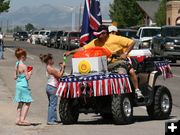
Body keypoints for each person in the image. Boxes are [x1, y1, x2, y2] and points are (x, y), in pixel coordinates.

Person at [64, 25, 144, 99]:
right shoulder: (96, 41)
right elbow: (83, 49)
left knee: (126, 72)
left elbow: (132, 42)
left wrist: (125, 53)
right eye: (97, 35)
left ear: (105, 33)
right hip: (102, 65)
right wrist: (70, 52)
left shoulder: (116, 38)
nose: (98, 36)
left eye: (99, 34)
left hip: (118, 62)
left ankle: (135, 91)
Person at [39, 53, 65, 125]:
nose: (53, 60)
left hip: (49, 86)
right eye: (52, 59)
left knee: (51, 104)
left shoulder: (48, 67)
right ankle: (51, 120)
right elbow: (59, 75)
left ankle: (52, 119)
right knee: (53, 104)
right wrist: (62, 68)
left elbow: (58, 74)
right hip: (53, 87)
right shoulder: (50, 68)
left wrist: (62, 68)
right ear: (49, 60)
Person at [14, 48, 33, 126]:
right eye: (25, 56)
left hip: (18, 85)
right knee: (28, 102)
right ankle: (23, 119)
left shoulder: (17, 64)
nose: (26, 57)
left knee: (20, 102)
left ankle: (17, 119)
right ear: (22, 56)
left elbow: (14, 77)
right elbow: (27, 77)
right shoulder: (24, 66)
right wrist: (30, 72)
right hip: (24, 85)